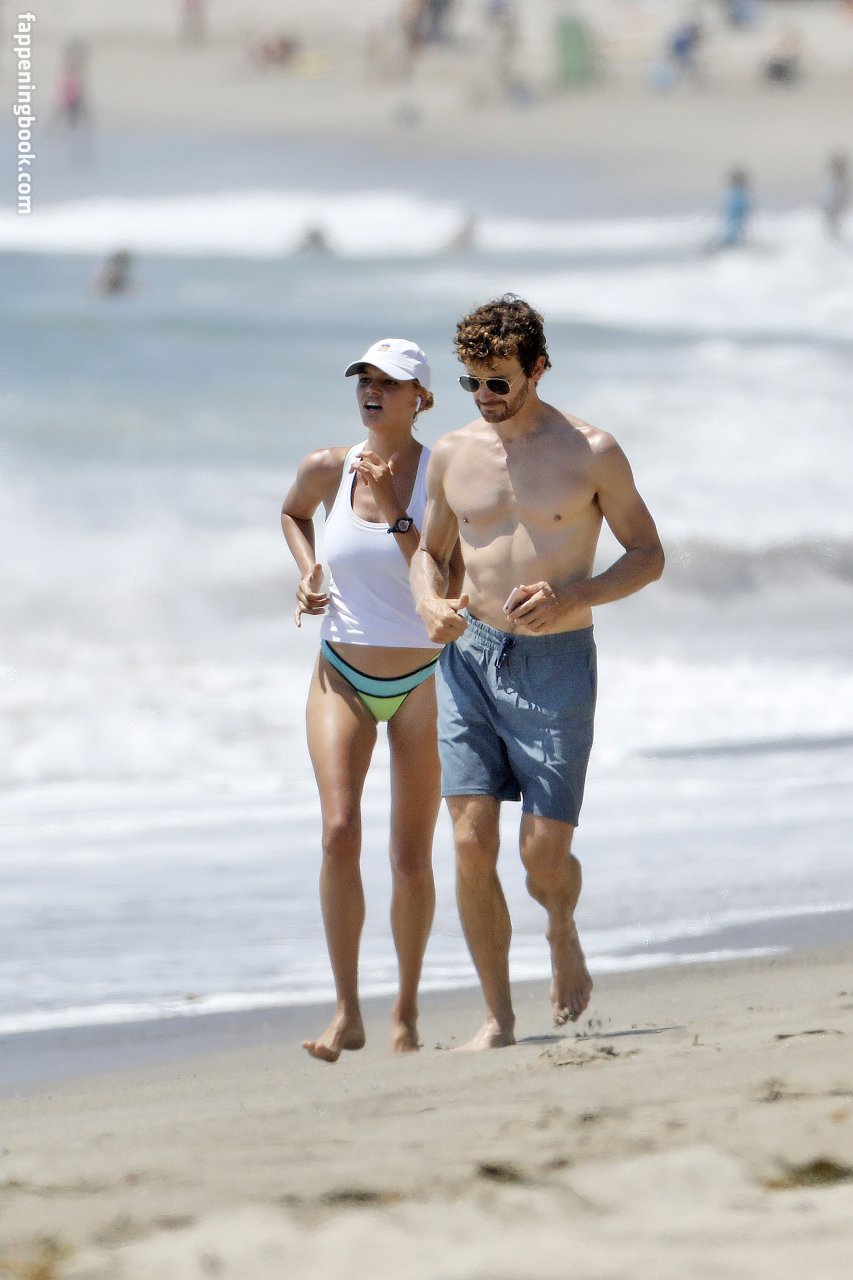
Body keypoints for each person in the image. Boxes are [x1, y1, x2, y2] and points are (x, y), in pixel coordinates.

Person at [411, 295, 664, 1051]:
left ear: (538, 369)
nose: (484, 397)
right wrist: (429, 602)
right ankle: (498, 1017)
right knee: (469, 841)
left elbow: (647, 554)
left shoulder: (591, 451)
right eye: (471, 382)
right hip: (469, 657)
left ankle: (560, 928)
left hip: (557, 662)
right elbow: (429, 553)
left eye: (499, 382)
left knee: (542, 857)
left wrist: (574, 595)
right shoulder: (453, 453)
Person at [281, 338, 459, 1062]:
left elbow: (444, 578)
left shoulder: (443, 476)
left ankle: (406, 1012)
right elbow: (293, 514)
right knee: (338, 831)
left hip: (425, 680)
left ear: (422, 397)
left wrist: (391, 507)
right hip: (341, 674)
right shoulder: (328, 466)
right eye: (365, 379)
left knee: (410, 857)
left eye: (391, 381)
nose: (372, 390)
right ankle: (347, 1011)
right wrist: (308, 569)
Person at [821, 151, 849, 241]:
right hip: (832, 208)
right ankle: (833, 240)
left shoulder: (837, 181)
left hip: (834, 208)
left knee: (834, 227)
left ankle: (834, 240)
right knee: (833, 227)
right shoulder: (834, 181)